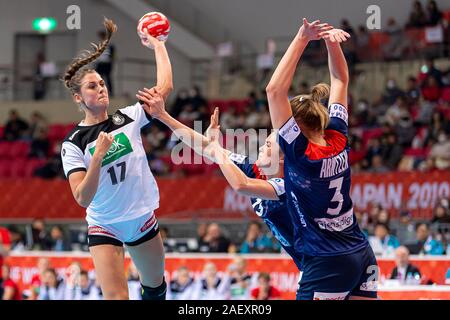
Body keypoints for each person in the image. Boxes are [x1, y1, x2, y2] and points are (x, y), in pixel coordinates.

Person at [136, 86, 304, 296]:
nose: (261, 147)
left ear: (282, 158)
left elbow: (241, 185)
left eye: (268, 145)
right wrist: (162, 115)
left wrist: (215, 148)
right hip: (307, 265)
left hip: (323, 262)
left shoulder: (290, 184)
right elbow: (205, 148)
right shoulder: (255, 170)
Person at [60, 17, 173, 300]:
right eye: (91, 86)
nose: (100, 88)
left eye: (101, 83)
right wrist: (97, 157)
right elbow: (82, 198)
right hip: (104, 224)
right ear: (77, 98)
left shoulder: (128, 117)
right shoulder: (73, 143)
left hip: (140, 218)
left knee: (156, 290)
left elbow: (165, 87)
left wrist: (158, 45)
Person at [265, 19, 378, 300]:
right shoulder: (337, 134)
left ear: (297, 128)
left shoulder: (301, 152)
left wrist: (302, 37)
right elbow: (340, 79)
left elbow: (274, 91)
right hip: (361, 253)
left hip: (327, 261)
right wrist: (330, 41)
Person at [95, 29, 115, 96]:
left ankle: (110, 92)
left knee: (108, 78)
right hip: (99, 64)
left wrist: (110, 61)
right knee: (98, 78)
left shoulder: (110, 46)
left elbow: (112, 56)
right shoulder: (98, 45)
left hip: (107, 64)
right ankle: (98, 91)